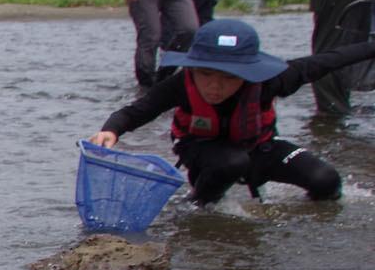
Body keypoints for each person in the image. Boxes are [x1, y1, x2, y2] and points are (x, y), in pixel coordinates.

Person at [87, 18, 375, 205]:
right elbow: (137, 111)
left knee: (327, 181)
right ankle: (199, 205)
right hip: (203, 152)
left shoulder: (271, 79)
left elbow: (328, 60)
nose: (215, 86)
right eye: (206, 74)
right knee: (231, 162)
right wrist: (110, 130)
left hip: (259, 149)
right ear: (193, 68)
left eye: (229, 77)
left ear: (248, 73)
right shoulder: (180, 84)